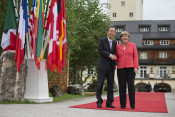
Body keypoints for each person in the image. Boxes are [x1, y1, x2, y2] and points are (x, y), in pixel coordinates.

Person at [115, 31, 139, 109]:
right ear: (121, 38)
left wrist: (136, 67)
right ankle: (123, 105)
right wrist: (114, 59)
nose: (125, 37)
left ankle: (132, 104)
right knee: (122, 87)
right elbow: (117, 57)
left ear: (128, 38)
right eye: (123, 36)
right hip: (120, 69)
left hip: (131, 68)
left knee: (131, 86)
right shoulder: (117, 46)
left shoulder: (133, 45)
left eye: (127, 36)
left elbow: (135, 56)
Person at [96, 26, 117, 108]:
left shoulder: (115, 43)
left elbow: (115, 53)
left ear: (115, 33)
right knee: (100, 84)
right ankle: (99, 101)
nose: (112, 33)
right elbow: (100, 50)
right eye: (111, 31)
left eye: (113, 31)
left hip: (111, 67)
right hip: (102, 66)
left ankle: (109, 102)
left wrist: (115, 59)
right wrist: (109, 55)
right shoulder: (102, 40)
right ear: (107, 32)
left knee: (110, 85)